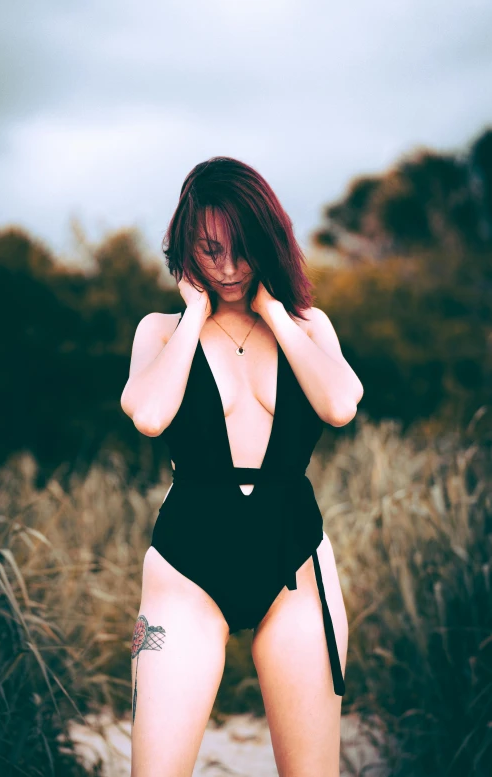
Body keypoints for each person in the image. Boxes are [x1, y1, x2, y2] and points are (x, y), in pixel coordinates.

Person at [121, 156, 363, 776]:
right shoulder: (160, 331)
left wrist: (278, 313)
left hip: (295, 562)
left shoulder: (310, 325)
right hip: (186, 565)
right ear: (187, 248)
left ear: (268, 242)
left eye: (242, 249)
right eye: (209, 250)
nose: (227, 267)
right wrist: (196, 314)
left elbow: (339, 405)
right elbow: (148, 414)